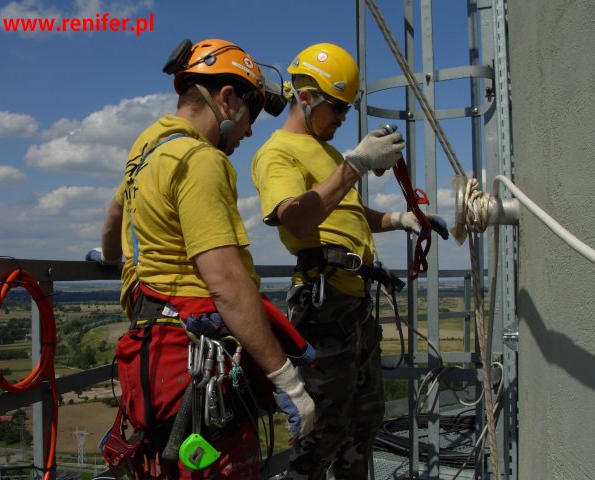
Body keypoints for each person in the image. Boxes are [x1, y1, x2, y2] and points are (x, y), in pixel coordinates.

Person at [91, 38, 315, 479]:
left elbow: (115, 215)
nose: (249, 132)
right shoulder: (200, 159)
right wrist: (286, 380)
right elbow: (227, 284)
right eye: (249, 116)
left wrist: (112, 259)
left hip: (154, 356)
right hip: (196, 365)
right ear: (227, 98)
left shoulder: (147, 150)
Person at [251, 42, 449, 479]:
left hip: (353, 308)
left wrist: (399, 219)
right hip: (324, 310)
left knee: (363, 422)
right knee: (322, 431)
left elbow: (347, 216)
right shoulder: (277, 153)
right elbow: (298, 218)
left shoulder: (328, 154)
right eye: (337, 109)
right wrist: (357, 163)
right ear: (306, 98)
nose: (342, 119)